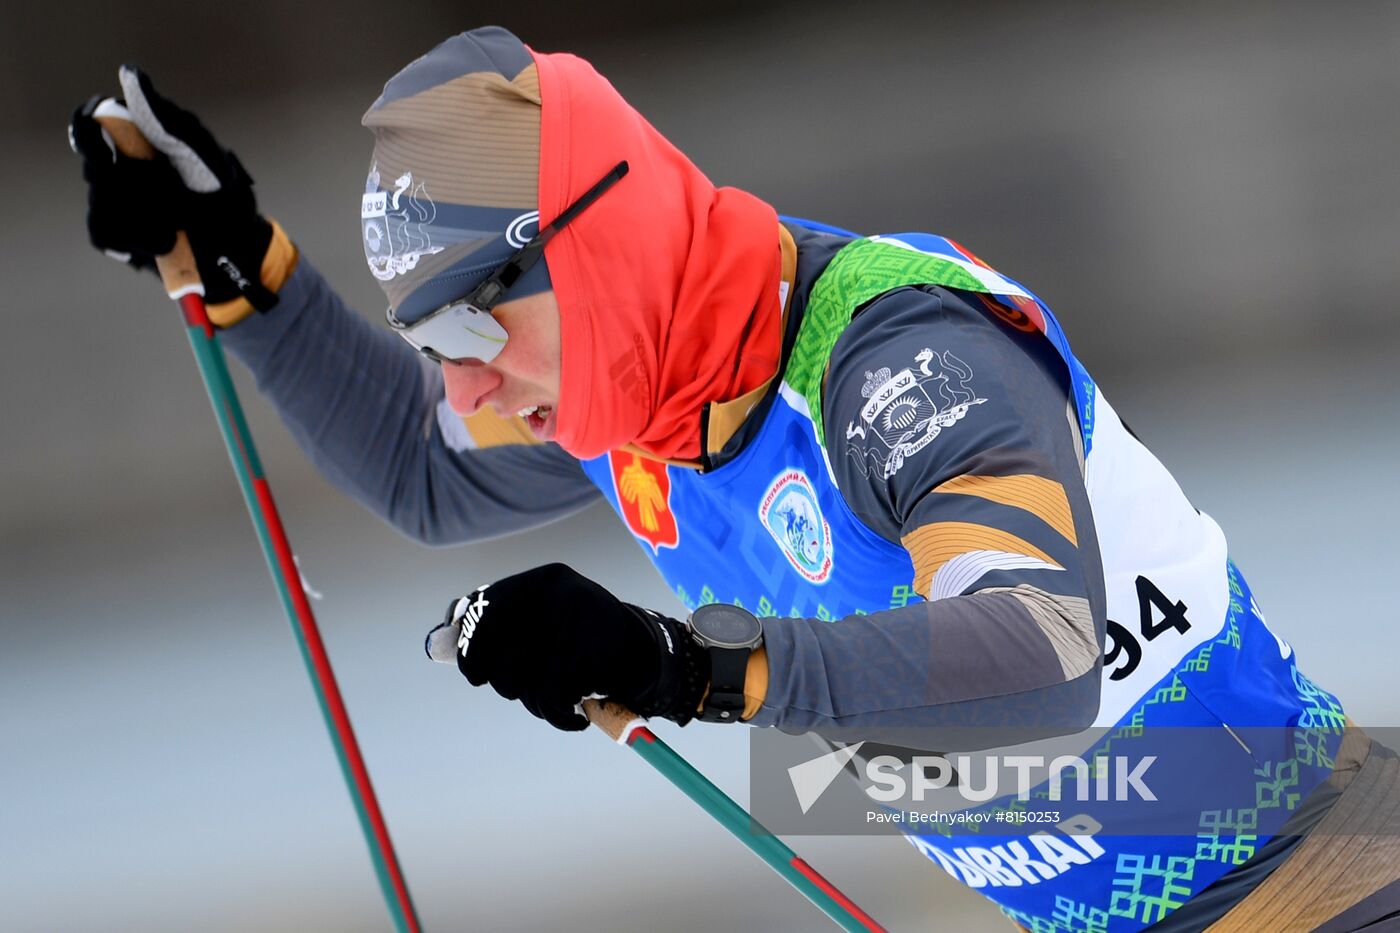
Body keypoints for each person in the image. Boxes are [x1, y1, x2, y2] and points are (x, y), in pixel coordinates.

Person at [70, 26, 1400, 933]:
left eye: (474, 329)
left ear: (599, 252)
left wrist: (678, 664)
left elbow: (1035, 649)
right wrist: (239, 269)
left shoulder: (891, 357)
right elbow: (423, 468)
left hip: (1320, 869)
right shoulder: (634, 402)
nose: (462, 381)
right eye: (430, 344)